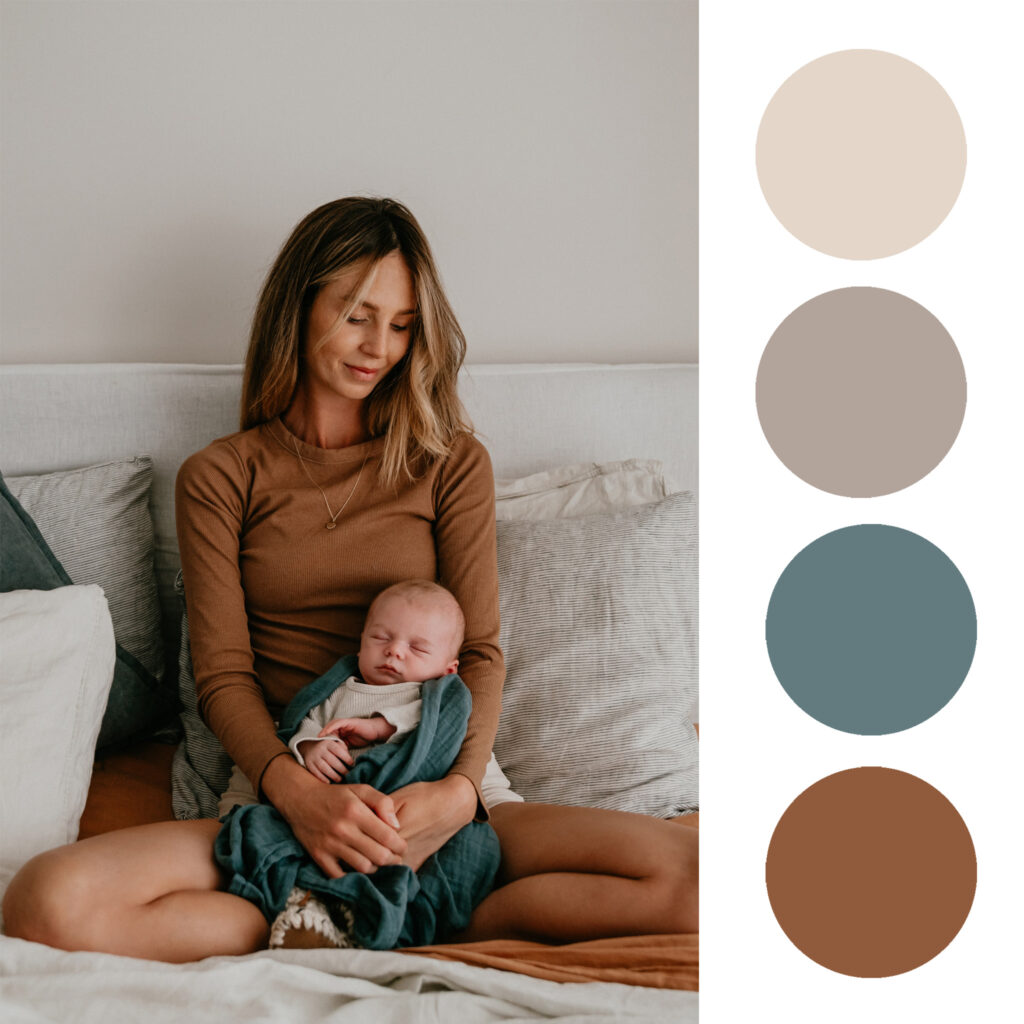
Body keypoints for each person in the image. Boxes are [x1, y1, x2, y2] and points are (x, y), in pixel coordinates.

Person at [2, 197, 697, 963]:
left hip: (442, 779)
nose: (380, 347)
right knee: (44, 903)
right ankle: (304, 921)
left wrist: (456, 794)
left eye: (401, 325)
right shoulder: (222, 476)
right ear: (299, 309)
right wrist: (300, 798)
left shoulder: (450, 462)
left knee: (701, 884)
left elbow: (484, 652)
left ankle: (412, 915)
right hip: (287, 781)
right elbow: (223, 674)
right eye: (358, 315)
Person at [216, 579, 501, 950]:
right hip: (334, 811)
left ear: (448, 668)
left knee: (478, 845)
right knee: (255, 828)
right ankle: (316, 907)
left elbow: (436, 735)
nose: (395, 652)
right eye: (381, 638)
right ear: (362, 639)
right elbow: (301, 730)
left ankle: (393, 923)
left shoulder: (436, 696)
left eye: (417, 647)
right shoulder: (339, 691)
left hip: (409, 814)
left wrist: (379, 727)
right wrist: (313, 747)